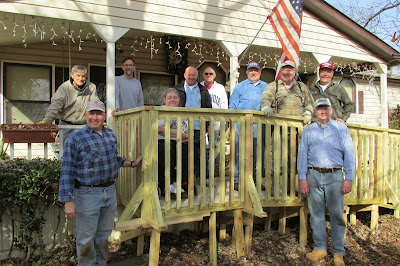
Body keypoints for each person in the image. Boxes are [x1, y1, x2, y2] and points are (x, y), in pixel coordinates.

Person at [59, 100, 143, 265]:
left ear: (104, 115)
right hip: (87, 194)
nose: (95, 117)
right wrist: (68, 201)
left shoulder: (110, 134)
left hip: (109, 191)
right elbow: (67, 170)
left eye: (98, 113)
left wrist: (132, 163)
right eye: (91, 113)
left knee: (103, 236)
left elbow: (113, 160)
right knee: (86, 238)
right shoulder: (75, 138)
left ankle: (101, 263)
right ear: (86, 115)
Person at [297, 98, 355, 266]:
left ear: (331, 110)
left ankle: (338, 252)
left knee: (337, 215)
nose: (323, 111)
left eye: (325, 108)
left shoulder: (341, 129)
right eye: (319, 108)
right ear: (315, 111)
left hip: (334, 175)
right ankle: (320, 248)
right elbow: (302, 156)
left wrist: (349, 178)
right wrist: (302, 178)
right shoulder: (308, 131)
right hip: (313, 175)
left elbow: (349, 154)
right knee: (316, 215)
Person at [229, 61, 268, 186]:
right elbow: (232, 106)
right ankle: (237, 179)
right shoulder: (239, 86)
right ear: (246, 72)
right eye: (250, 70)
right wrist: (232, 124)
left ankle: (255, 180)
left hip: (260, 125)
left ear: (260, 72)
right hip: (241, 125)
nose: (253, 72)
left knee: (258, 152)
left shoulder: (267, 87)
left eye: (255, 70)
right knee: (238, 152)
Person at [39, 65, 99, 141]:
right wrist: (46, 121)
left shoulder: (91, 87)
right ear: (72, 75)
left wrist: (98, 119)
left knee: (85, 150)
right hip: (66, 125)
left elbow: (95, 105)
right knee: (66, 150)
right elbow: (55, 106)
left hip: (84, 125)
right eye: (78, 75)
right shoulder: (64, 88)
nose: (80, 78)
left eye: (83, 76)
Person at [174, 66, 212, 177]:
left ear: (197, 76)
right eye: (189, 75)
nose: (191, 77)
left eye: (193, 75)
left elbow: (208, 109)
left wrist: (208, 126)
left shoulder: (203, 90)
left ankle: (204, 177)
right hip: (182, 127)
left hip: (198, 127)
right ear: (185, 75)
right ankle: (184, 177)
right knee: (182, 153)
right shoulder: (177, 89)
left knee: (201, 154)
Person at [158, 88, 189, 195]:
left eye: (175, 97)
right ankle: (167, 183)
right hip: (163, 141)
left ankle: (180, 182)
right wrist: (180, 134)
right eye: (169, 97)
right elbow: (160, 130)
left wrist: (187, 137)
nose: (172, 100)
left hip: (179, 142)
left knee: (190, 150)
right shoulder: (160, 111)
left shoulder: (183, 113)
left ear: (179, 100)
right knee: (167, 148)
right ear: (164, 100)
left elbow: (187, 131)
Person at [200, 67, 228, 178]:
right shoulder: (199, 86)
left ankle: (218, 172)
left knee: (217, 148)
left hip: (216, 123)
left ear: (215, 75)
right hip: (201, 123)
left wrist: (223, 122)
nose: (208, 75)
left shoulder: (220, 88)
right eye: (206, 73)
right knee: (202, 149)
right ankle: (205, 174)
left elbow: (224, 106)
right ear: (203, 75)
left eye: (210, 73)